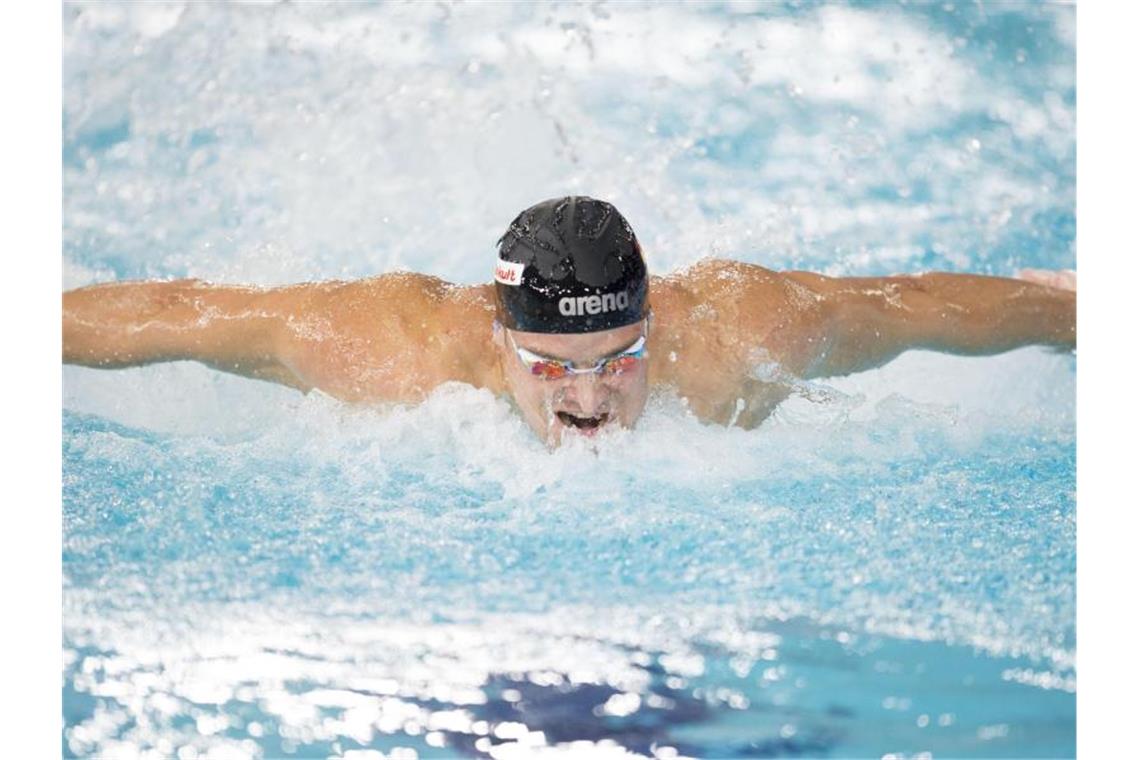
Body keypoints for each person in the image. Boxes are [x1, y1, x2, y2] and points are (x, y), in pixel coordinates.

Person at [64, 196, 1076, 446]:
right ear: (498, 337)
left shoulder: (732, 338)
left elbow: (913, 305)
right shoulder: (390, 350)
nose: (590, 398)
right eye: (550, 364)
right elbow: (176, 315)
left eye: (618, 356)